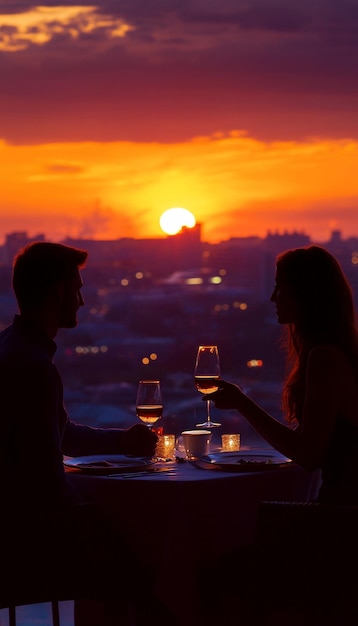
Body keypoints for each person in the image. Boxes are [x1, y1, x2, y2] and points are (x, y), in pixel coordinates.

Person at [0, 241, 159, 625]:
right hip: (32, 543)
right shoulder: (33, 367)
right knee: (153, 566)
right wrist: (95, 511)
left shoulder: (11, 347)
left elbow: (60, 433)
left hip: (14, 533)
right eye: (78, 289)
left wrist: (120, 442)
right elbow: (46, 479)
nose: (82, 301)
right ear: (57, 292)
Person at [200, 245, 358, 625]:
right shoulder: (334, 353)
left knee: (208, 570)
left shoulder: (325, 360)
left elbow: (309, 454)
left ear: (306, 294)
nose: (272, 297)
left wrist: (242, 403)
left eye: (280, 287)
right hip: (342, 522)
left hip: (336, 529)